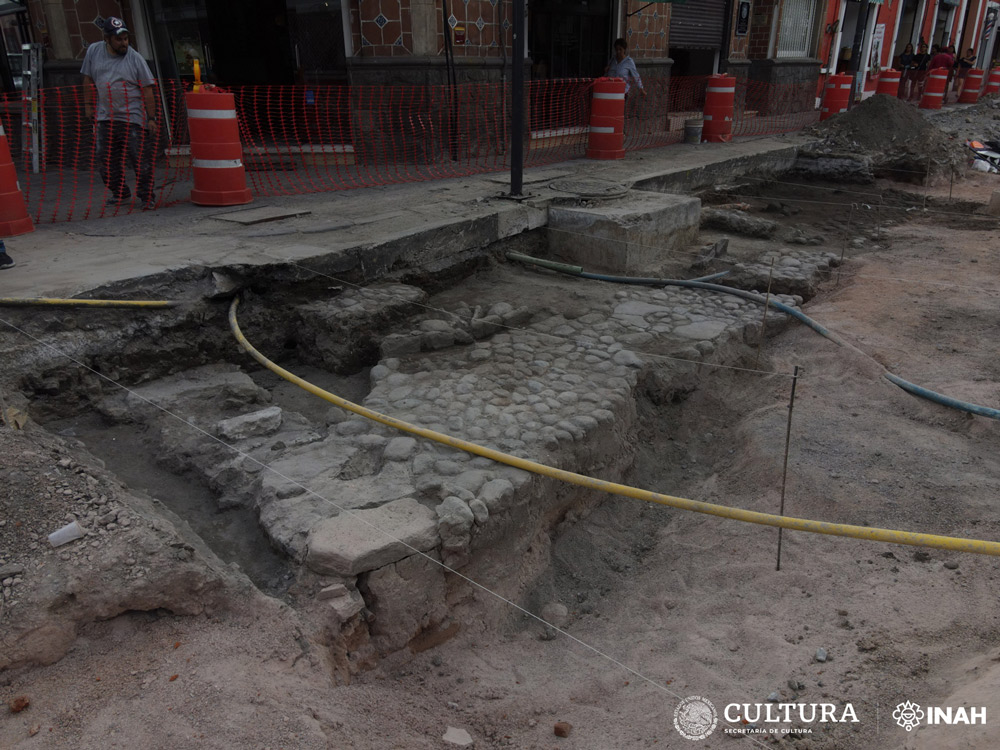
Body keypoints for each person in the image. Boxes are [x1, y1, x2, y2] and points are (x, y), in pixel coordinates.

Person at [81, 17, 159, 211]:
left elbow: (148, 89)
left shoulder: (135, 58)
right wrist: (88, 106)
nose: (124, 43)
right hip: (104, 116)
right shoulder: (93, 51)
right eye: (119, 39)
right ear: (107, 39)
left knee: (140, 159)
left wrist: (151, 118)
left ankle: (147, 196)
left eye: (126, 38)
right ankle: (120, 192)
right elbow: (87, 79)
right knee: (105, 160)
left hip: (132, 117)